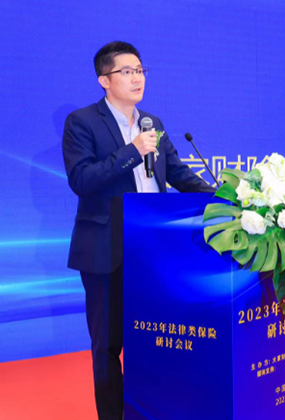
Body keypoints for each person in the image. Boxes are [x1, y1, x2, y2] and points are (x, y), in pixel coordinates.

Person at [62, 41, 215, 420]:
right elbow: (82, 180)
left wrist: (224, 196)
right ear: (104, 79)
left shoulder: (153, 123)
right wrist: (133, 150)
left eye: (140, 70)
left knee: (155, 336)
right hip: (106, 250)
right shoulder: (82, 122)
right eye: (127, 71)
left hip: (154, 251)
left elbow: (177, 173)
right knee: (108, 345)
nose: (137, 78)